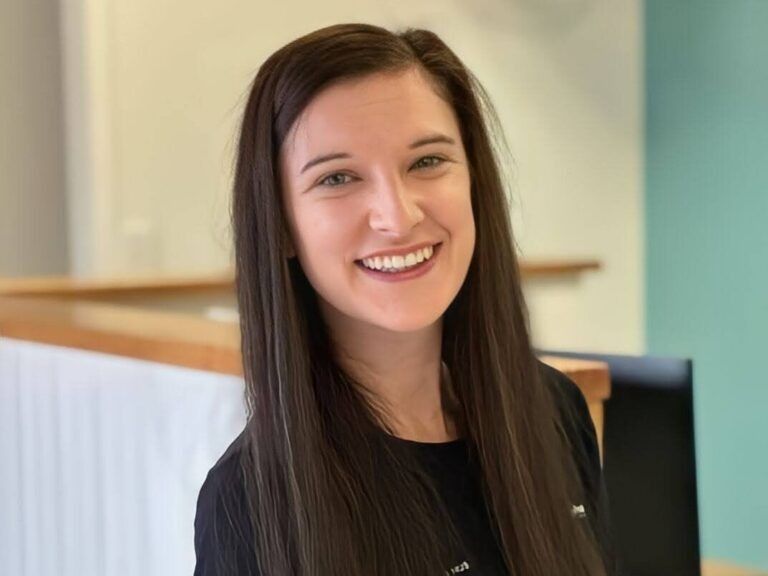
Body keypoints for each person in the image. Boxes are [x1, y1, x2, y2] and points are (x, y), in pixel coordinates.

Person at [193, 23, 618, 576]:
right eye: (338, 177)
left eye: (426, 162)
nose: (398, 216)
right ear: (282, 226)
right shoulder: (251, 504)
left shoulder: (552, 409)